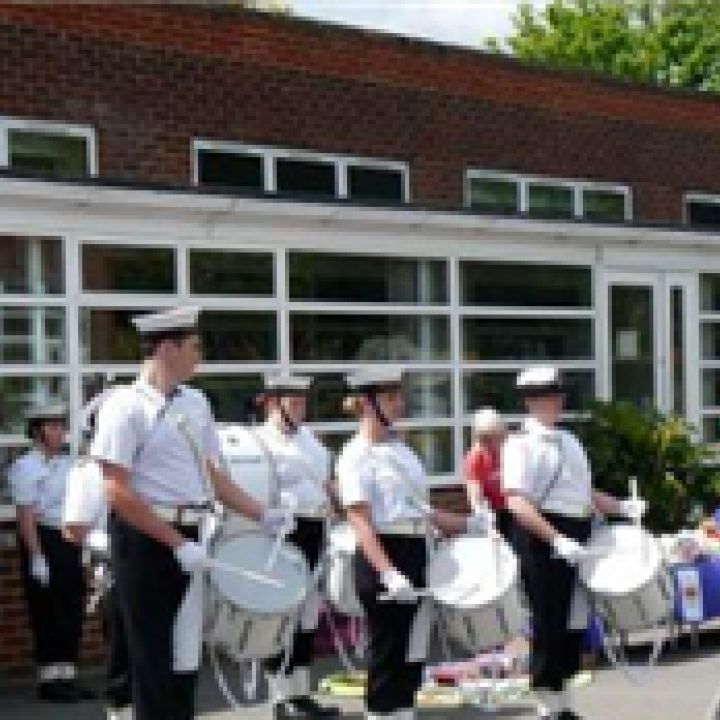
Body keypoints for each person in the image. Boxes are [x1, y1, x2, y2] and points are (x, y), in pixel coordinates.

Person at [90, 306, 291, 720]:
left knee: (186, 657)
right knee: (152, 660)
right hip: (146, 540)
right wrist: (176, 543)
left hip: (192, 536)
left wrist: (261, 513)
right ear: (167, 348)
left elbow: (212, 474)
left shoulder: (196, 402)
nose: (200, 355)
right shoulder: (125, 406)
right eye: (194, 347)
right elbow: (114, 489)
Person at [337, 367, 492, 720]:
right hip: (383, 555)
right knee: (387, 653)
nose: (399, 404)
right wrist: (389, 573)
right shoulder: (354, 455)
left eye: (398, 396)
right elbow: (360, 522)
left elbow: (419, 510)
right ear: (366, 403)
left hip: (415, 550)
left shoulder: (400, 450)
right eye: (390, 398)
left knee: (412, 652)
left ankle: (405, 713)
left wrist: (467, 524)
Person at [503, 366, 647, 720]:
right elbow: (517, 503)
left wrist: (621, 507)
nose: (558, 402)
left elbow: (584, 491)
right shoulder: (519, 444)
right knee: (549, 622)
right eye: (549, 396)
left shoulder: (569, 441)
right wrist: (557, 539)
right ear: (530, 401)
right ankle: (545, 705)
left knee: (573, 622)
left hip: (576, 531)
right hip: (543, 535)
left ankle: (563, 701)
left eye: (559, 395)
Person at [257, 374, 340, 720]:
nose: (300, 408)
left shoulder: (311, 441)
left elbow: (324, 482)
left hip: (314, 526)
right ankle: (278, 697)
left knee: (307, 614)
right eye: (293, 402)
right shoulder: (259, 441)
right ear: (273, 403)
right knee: (282, 614)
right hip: (282, 532)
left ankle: (301, 692)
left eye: (303, 401)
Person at [9, 404, 93, 702]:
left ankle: (68, 676)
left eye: (61, 427)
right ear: (37, 432)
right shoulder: (26, 468)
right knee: (48, 612)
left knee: (72, 607)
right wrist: (37, 556)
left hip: (67, 539)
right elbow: (26, 516)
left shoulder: (66, 464)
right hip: (43, 539)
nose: (60, 432)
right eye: (53, 427)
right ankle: (49, 680)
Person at [63, 387, 133, 720]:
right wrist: (107, 544)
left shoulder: (143, 467)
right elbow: (74, 528)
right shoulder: (87, 471)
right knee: (123, 646)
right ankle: (120, 712)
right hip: (116, 566)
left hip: (154, 561)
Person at [463, 407, 511, 540]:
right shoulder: (475, 457)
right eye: (484, 438)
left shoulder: (513, 450)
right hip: (494, 513)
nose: (490, 443)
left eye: (494, 437)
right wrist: (487, 524)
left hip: (517, 509)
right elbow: (476, 497)